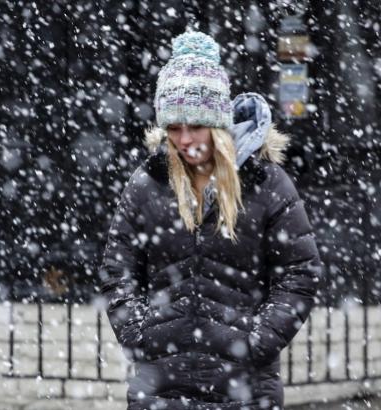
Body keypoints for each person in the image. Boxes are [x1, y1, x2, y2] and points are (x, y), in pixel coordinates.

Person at [100, 32, 322, 410]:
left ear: (218, 124)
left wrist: (256, 340)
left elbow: (300, 273)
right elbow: (117, 270)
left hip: (246, 389)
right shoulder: (148, 182)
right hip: (162, 388)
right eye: (173, 127)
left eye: (195, 125)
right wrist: (140, 333)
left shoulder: (267, 184)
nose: (184, 139)